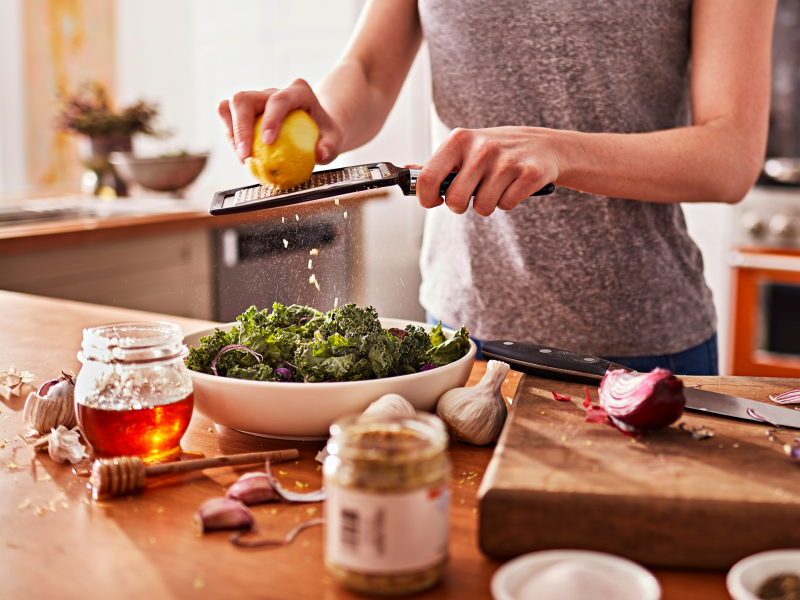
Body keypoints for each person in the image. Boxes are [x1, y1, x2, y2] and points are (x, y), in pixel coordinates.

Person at [218, 0, 776, 375]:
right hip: (457, 335)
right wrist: (325, 120)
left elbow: (730, 155)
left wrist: (559, 152)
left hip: (643, 344)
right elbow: (367, 69)